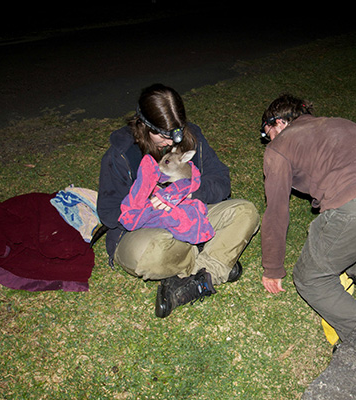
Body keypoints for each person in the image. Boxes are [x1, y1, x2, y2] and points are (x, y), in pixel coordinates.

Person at [259, 94, 356, 344]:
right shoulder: (339, 123)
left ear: (278, 122)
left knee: (310, 277)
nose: (267, 139)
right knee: (348, 233)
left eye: (266, 132)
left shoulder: (279, 146)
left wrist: (272, 268)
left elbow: (276, 212)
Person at [97, 83, 260, 318]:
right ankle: (215, 263)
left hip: (190, 215)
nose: (171, 141)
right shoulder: (122, 153)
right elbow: (109, 212)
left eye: (177, 131)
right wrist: (151, 204)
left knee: (246, 212)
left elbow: (221, 180)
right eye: (163, 134)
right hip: (147, 231)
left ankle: (199, 276)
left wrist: (187, 193)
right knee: (148, 254)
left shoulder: (191, 137)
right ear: (144, 125)